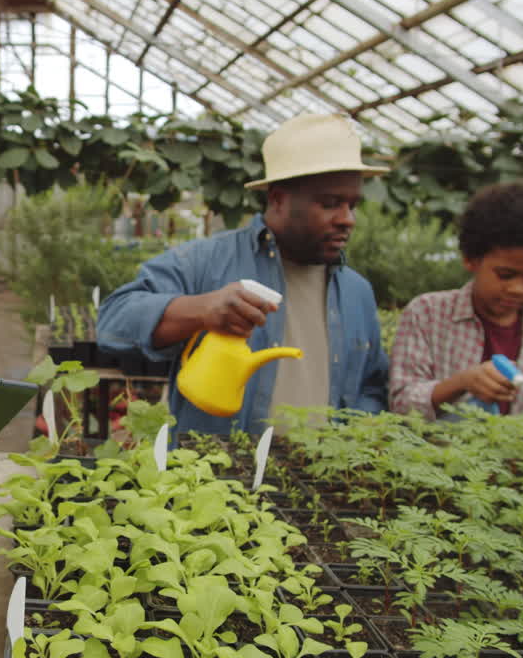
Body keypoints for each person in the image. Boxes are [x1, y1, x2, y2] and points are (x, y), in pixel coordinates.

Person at [96, 113, 390, 436]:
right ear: (278, 199)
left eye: (353, 205)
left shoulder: (357, 293)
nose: (347, 219)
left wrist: (361, 431)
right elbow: (113, 321)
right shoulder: (207, 262)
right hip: (218, 480)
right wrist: (201, 310)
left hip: (320, 482)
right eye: (331, 203)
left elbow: (372, 386)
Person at [390, 181, 523, 419]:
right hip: (437, 453)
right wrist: (462, 383)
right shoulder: (428, 313)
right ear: (471, 260)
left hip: (517, 455)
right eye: (505, 275)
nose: (518, 289)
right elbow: (400, 403)